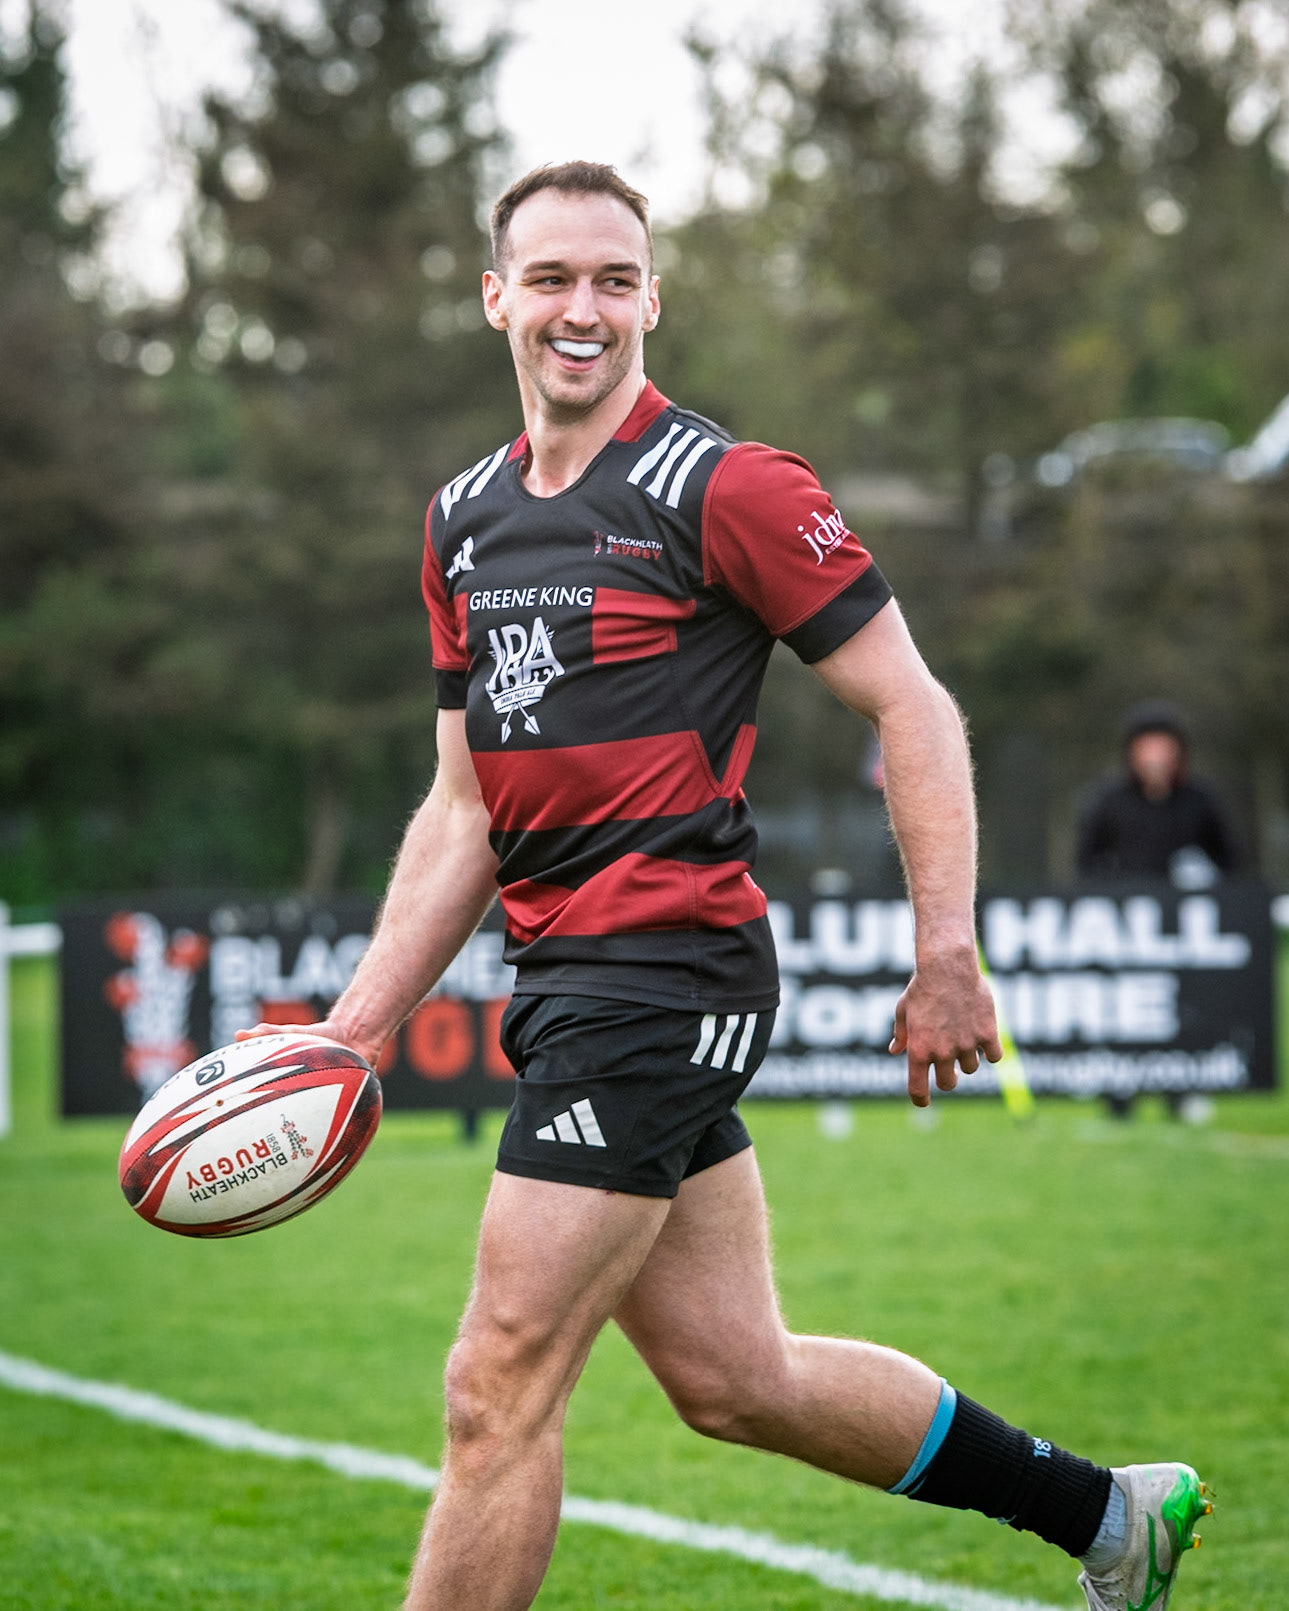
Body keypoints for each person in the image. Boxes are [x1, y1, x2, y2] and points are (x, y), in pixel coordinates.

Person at [242, 163, 1210, 1611]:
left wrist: (947, 945)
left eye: (616, 280)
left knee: (494, 1382)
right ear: (497, 297)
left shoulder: (725, 484)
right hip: (565, 976)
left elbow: (916, 707)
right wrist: (353, 1026)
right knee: (732, 1377)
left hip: (663, 970)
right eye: (554, 278)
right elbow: (462, 806)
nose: (585, 309)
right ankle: (1108, 1516)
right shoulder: (459, 519)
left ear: (651, 298)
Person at [1075, 702, 1240, 888]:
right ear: (1131, 753)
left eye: (1163, 749)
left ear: (1178, 752)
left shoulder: (1201, 800)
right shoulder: (1108, 801)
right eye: (1147, 749)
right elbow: (1087, 863)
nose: (1155, 759)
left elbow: (1228, 863)